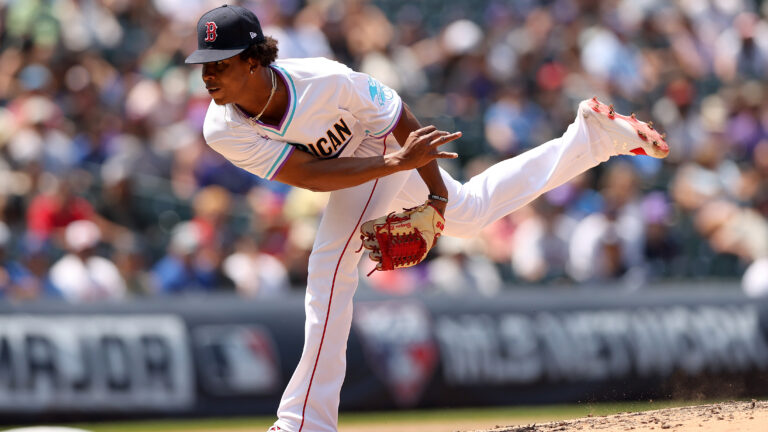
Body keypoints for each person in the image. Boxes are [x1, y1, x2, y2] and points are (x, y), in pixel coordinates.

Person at [184, 5, 669, 432]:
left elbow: (398, 119)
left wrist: (430, 193)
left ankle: (302, 423)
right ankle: (593, 138)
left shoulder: (322, 79)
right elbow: (310, 174)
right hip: (370, 164)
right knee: (471, 214)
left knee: (329, 269)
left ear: (253, 59)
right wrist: (425, 193)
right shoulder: (220, 127)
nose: (208, 76)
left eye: (219, 64)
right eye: (203, 65)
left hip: (385, 142)